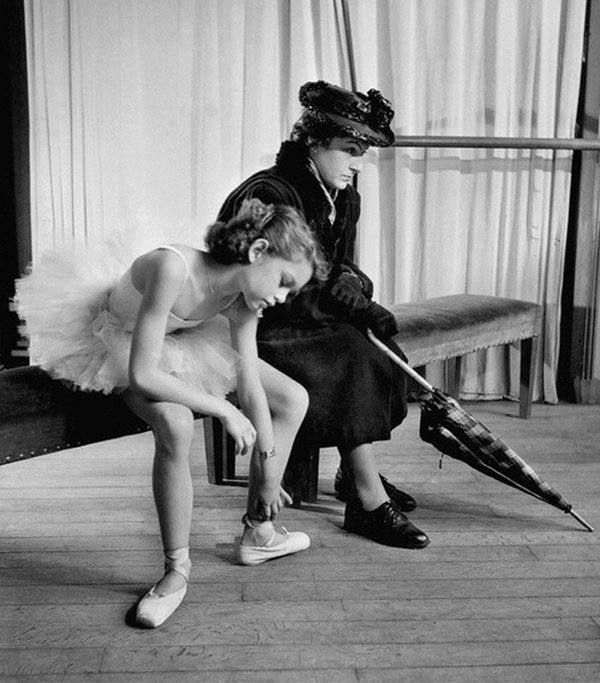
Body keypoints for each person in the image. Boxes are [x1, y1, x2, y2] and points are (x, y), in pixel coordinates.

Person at [14, 198, 327, 628]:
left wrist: (269, 469)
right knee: (178, 424)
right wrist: (222, 410)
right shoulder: (172, 267)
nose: (282, 297)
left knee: (293, 398)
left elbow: (250, 382)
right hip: (119, 343)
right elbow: (142, 373)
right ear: (256, 252)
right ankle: (176, 571)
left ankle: (259, 530)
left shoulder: (243, 301)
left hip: (182, 340)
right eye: (284, 281)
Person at [217, 81, 430, 550]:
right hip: (258, 324)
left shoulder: (343, 196)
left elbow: (336, 267)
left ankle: (356, 476)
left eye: (363, 153)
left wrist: (357, 288)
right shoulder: (269, 193)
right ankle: (366, 499)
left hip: (307, 317)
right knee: (352, 349)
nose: (357, 164)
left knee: (378, 348)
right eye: (349, 150)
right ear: (313, 142)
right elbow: (256, 283)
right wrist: (349, 302)